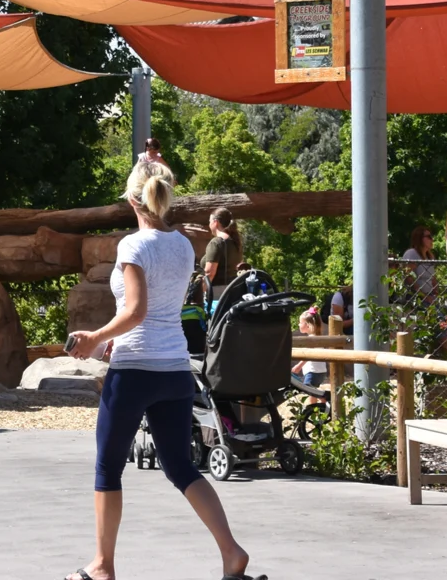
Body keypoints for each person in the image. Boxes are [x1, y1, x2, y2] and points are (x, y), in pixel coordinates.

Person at [65, 160, 262, 580]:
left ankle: (102, 566)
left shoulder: (132, 246)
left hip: (134, 370)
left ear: (133, 199)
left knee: (107, 468)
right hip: (174, 369)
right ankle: (231, 553)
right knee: (181, 466)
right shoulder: (182, 246)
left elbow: (136, 312)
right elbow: (157, 313)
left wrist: (94, 337)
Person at [202, 207, 242, 300]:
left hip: (217, 295)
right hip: (233, 291)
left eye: (209, 221)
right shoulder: (234, 241)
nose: (209, 224)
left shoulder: (216, 242)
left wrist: (199, 293)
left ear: (215, 222)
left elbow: (209, 273)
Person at [401, 225, 436, 300]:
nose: (432, 239)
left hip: (430, 295)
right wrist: (425, 297)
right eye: (429, 237)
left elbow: (433, 279)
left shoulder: (430, 256)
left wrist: (436, 294)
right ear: (419, 239)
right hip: (415, 297)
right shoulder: (412, 253)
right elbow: (409, 279)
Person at [294, 306, 327, 387]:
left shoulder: (311, 340)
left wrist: (298, 366)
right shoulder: (317, 338)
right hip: (320, 372)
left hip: (312, 372)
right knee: (313, 392)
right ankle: (325, 398)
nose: (298, 324)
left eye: (300, 323)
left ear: (308, 325)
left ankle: (326, 397)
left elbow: (308, 355)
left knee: (309, 391)